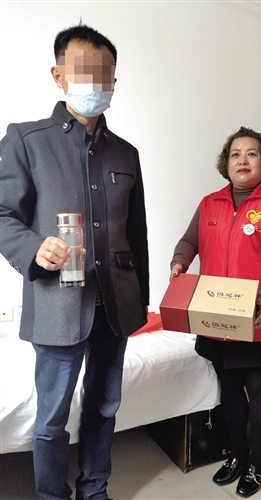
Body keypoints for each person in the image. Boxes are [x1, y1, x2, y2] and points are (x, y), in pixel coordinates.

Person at [0, 24, 149, 500]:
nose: (95, 82)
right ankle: (51, 495)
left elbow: (137, 235)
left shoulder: (126, 153)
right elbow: (2, 214)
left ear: (114, 81)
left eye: (104, 73)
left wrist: (141, 302)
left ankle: (94, 489)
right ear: (58, 75)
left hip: (115, 307)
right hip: (57, 307)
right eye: (83, 71)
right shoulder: (26, 140)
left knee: (105, 407)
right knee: (51, 418)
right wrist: (33, 249)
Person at [169, 127, 261, 498]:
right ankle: (237, 455)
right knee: (230, 390)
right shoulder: (210, 203)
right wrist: (179, 262)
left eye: (251, 153)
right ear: (226, 163)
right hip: (215, 314)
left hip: (257, 316)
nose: (242, 160)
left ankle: (257, 462)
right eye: (235, 154)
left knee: (258, 391)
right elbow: (188, 240)